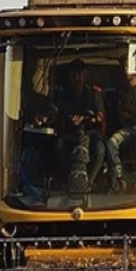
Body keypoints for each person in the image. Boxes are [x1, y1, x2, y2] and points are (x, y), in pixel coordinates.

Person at [53, 59, 106, 196]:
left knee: (99, 149)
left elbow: (101, 116)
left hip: (90, 133)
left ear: (85, 74)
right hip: (71, 134)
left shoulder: (94, 93)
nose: (77, 77)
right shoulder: (63, 95)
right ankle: (67, 181)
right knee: (59, 146)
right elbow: (57, 113)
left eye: (80, 73)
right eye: (73, 74)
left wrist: (87, 118)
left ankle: (89, 183)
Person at [106, 72, 136, 192]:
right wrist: (126, 112)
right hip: (127, 128)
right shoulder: (122, 90)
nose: (124, 70)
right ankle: (118, 177)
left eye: (127, 66)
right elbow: (120, 112)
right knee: (112, 142)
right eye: (123, 67)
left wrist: (131, 110)